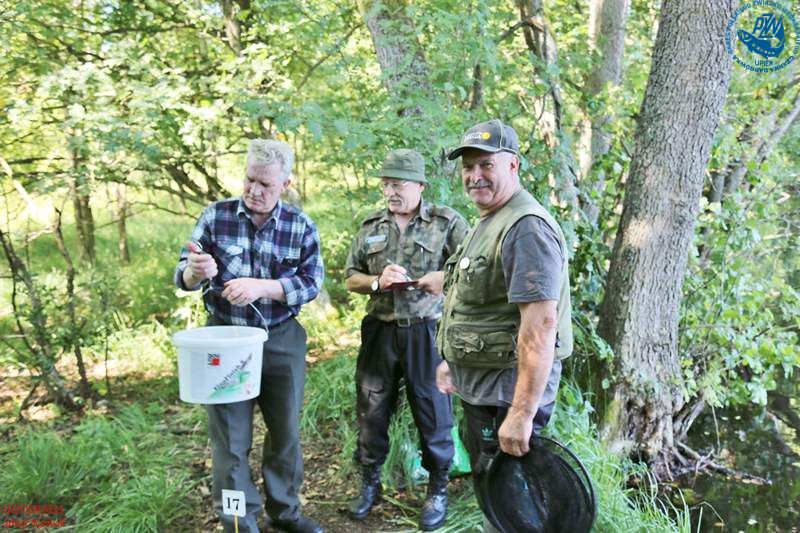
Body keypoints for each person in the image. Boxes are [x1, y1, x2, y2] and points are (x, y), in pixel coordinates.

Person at [174, 139, 325, 533]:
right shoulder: (216, 216)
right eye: (250, 180)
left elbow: (312, 283)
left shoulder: (300, 225)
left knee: (286, 433)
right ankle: (239, 521)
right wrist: (195, 271)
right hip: (225, 341)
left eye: (266, 184)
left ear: (286, 185)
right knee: (230, 442)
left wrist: (263, 287)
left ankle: (285, 513)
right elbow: (183, 276)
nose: (254, 190)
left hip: (281, 338)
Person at [435, 119, 574, 531]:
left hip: (507, 396)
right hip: (485, 388)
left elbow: (540, 328)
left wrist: (521, 414)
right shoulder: (490, 220)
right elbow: (477, 303)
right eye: (468, 167)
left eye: (486, 165)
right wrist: (453, 361)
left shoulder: (526, 228)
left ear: (512, 165)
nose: (475, 175)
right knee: (496, 497)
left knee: (516, 507)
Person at [344, 148, 469, 531]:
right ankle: (370, 483)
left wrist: (444, 279)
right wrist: (377, 282)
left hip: (427, 331)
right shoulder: (370, 225)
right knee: (372, 410)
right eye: (386, 184)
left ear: (419, 185)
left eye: (398, 184)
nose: (390, 192)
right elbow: (351, 277)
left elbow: (474, 269)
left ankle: (438, 488)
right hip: (380, 331)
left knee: (433, 410)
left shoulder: (447, 222)